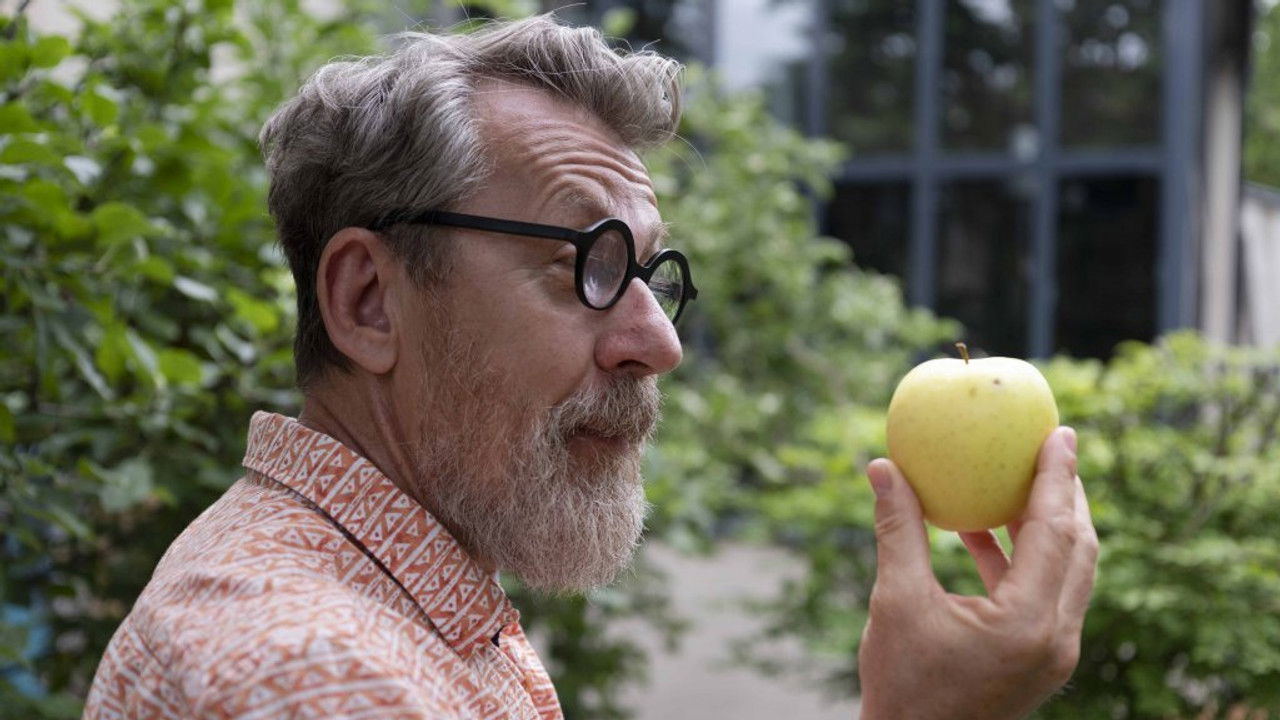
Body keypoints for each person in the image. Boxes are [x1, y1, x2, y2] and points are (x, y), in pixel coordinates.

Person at [84, 15, 1098, 720]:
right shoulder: (317, 675)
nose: (658, 341)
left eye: (648, 271)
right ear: (367, 302)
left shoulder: (395, 597)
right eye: (587, 265)